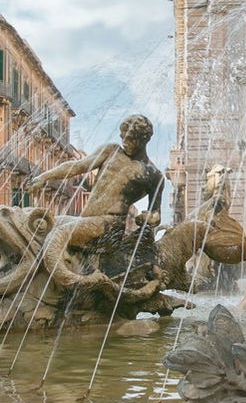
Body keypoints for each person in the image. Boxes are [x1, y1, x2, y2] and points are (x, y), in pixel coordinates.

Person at [24, 114, 164, 290]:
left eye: (129, 138)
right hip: (87, 220)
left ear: (143, 139)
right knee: (46, 226)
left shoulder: (153, 175)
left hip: (109, 225)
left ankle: (69, 283)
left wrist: (149, 217)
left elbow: (156, 214)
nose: (124, 141)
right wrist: (45, 177)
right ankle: (33, 285)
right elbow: (77, 166)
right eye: (122, 136)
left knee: (59, 234)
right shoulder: (111, 151)